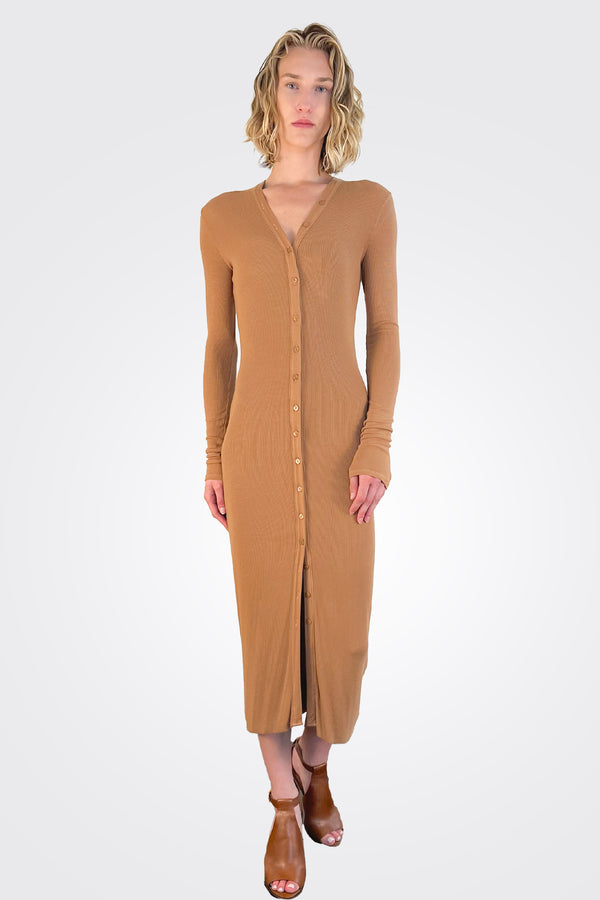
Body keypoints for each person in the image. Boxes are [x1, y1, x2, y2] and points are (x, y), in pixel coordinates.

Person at [200, 22, 400, 897]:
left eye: (322, 86)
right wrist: (213, 454)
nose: (306, 102)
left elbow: (385, 329)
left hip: (341, 455)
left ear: (338, 99)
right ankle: (285, 801)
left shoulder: (368, 206)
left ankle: (318, 761)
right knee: (269, 628)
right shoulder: (221, 217)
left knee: (343, 635)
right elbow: (220, 348)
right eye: (293, 84)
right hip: (251, 456)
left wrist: (376, 442)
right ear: (269, 93)